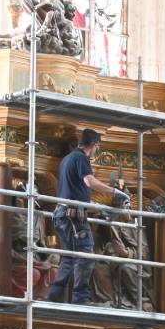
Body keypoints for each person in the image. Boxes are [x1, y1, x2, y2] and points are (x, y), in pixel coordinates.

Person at [48, 129, 128, 305]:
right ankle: (80, 299)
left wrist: (96, 206)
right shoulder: (81, 158)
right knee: (85, 255)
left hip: (63, 215)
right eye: (97, 147)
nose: (96, 151)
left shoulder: (67, 159)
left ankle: (53, 297)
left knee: (69, 258)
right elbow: (89, 182)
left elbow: (75, 191)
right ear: (93, 145)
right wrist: (114, 192)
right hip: (74, 217)